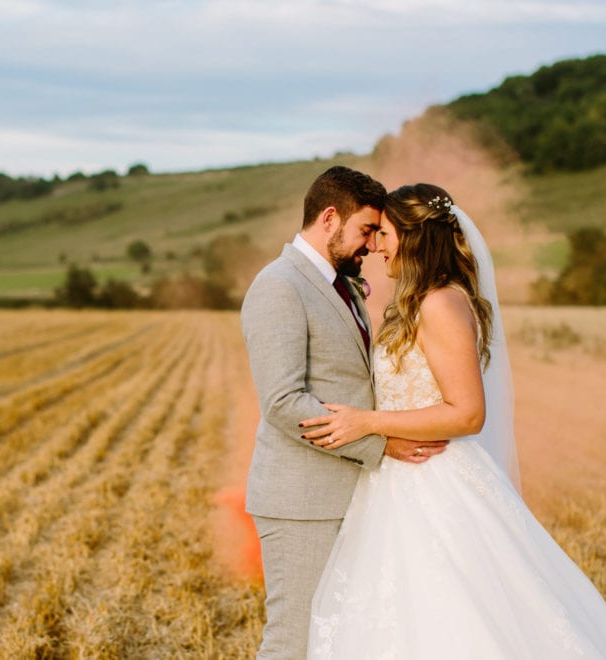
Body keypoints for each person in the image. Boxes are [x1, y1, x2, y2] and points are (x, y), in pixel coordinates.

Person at [301, 183, 606, 658]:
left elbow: (467, 413)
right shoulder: (420, 300)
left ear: (414, 235)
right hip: (396, 482)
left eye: (384, 234)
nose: (376, 246)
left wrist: (369, 422)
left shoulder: (440, 303)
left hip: (435, 481)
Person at [240, 166, 448, 659]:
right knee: (294, 641)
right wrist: (380, 442)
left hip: (352, 494)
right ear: (330, 218)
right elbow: (283, 402)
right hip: (302, 503)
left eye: (379, 233)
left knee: (341, 640)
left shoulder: (344, 284)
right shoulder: (279, 286)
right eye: (366, 230)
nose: (372, 245)